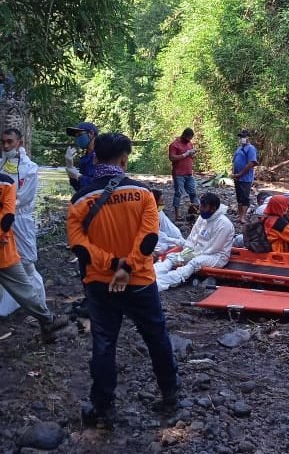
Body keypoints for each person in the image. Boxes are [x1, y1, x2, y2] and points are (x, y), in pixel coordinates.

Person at [67, 133, 178, 428]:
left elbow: (80, 246)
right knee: (156, 336)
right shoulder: (143, 194)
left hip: (100, 283)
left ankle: (102, 407)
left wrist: (113, 265)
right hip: (139, 279)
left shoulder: (80, 200)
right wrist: (127, 267)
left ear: (94, 158)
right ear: (124, 159)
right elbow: (149, 239)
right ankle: (170, 395)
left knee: (103, 343)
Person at [0, 171, 67, 341]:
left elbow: (8, 216)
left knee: (25, 289)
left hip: (4, 251)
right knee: (24, 289)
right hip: (3, 249)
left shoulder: (6, 183)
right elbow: (8, 216)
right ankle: (47, 320)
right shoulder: (6, 183)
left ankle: (47, 321)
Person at [0, 128, 46, 308]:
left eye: (10, 141)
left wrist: (6, 205)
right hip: (2, 219)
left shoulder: (30, 168)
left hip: (20, 220)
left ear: (19, 143)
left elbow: (24, 197)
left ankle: (40, 305)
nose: (5, 145)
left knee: (27, 263)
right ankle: (7, 304)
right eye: (3, 142)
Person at [154, 193, 234, 291]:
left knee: (195, 262)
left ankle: (163, 281)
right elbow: (192, 238)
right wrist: (186, 252)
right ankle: (152, 273)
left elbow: (213, 248)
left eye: (204, 207)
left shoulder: (224, 224)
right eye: (201, 205)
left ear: (213, 209)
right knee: (174, 257)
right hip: (197, 251)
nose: (200, 209)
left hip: (216, 256)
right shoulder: (202, 218)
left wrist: (191, 255)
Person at [169, 128, 199, 221]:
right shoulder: (174, 145)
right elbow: (172, 158)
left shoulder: (190, 144)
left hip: (189, 173)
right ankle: (177, 214)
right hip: (178, 173)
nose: (189, 140)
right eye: (188, 137)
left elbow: (190, 157)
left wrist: (192, 154)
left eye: (191, 138)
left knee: (193, 192)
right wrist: (185, 154)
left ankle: (194, 212)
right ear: (184, 135)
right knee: (178, 193)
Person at [231, 129, 258, 224]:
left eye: (243, 137)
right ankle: (239, 216)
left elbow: (252, 163)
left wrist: (240, 173)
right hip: (237, 177)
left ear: (248, 138)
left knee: (245, 198)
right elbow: (234, 161)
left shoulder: (251, 149)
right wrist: (234, 173)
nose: (241, 139)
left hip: (245, 178)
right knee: (239, 198)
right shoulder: (239, 148)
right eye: (240, 137)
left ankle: (243, 217)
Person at [65, 121, 99, 191]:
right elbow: (78, 188)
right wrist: (69, 166)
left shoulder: (102, 155)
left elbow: (101, 185)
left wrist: (78, 176)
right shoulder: (85, 158)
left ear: (91, 134)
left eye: (79, 135)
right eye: (76, 136)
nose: (77, 139)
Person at [150, 188, 184, 255]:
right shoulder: (150, 216)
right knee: (162, 248)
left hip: (171, 236)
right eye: (161, 201)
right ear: (154, 202)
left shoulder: (159, 211)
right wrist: (173, 240)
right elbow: (156, 233)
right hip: (162, 239)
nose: (163, 203)